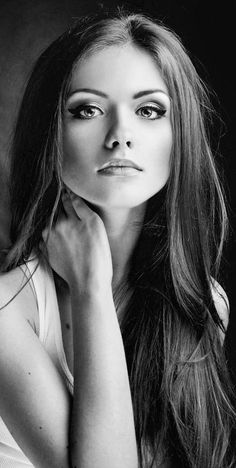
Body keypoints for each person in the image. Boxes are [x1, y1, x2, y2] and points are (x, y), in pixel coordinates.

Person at [0, 8, 235, 468]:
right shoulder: (8, 311)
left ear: (179, 134)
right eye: (88, 109)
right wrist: (90, 287)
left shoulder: (203, 303)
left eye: (149, 110)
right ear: (51, 132)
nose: (121, 135)